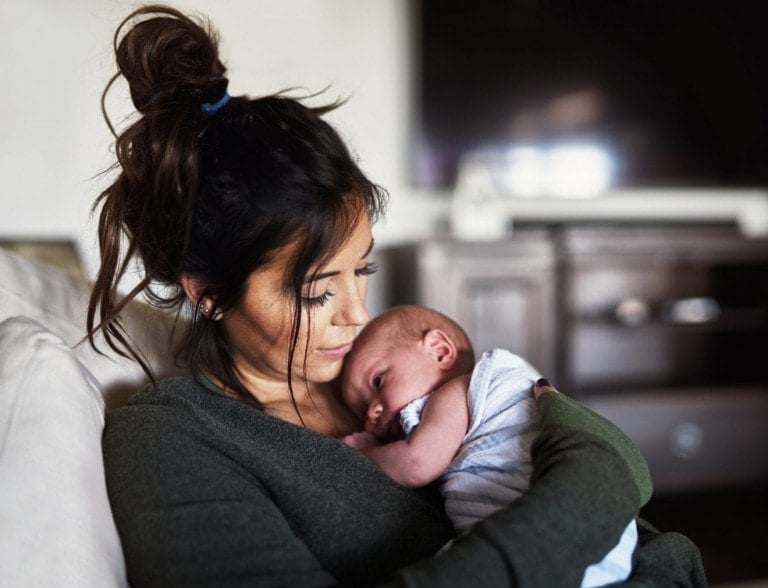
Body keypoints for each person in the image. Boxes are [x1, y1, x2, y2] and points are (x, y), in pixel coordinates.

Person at [90, 5, 706, 586]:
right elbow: (607, 472)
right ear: (210, 296)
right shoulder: (173, 440)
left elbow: (629, 483)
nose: (357, 315)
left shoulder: (382, 371)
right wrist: (592, 479)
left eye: (362, 269)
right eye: (313, 293)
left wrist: (592, 459)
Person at [341, 305, 641, 587]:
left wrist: (361, 452)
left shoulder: (458, 391)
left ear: (440, 351)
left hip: (551, 529)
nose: (371, 413)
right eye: (361, 410)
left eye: (378, 382)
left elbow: (417, 463)